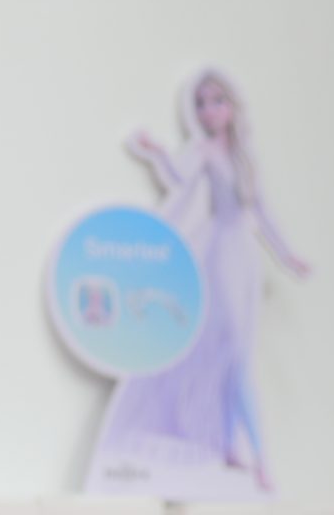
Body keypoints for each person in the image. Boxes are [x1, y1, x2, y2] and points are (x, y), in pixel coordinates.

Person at [107, 70, 311, 491]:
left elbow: (262, 211)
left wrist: (286, 255)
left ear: (233, 107)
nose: (208, 111)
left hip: (244, 255)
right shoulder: (202, 150)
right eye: (201, 103)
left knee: (239, 352)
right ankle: (258, 457)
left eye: (217, 101)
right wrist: (156, 152)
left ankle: (235, 446)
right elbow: (178, 176)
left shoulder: (244, 157)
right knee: (233, 353)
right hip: (218, 254)